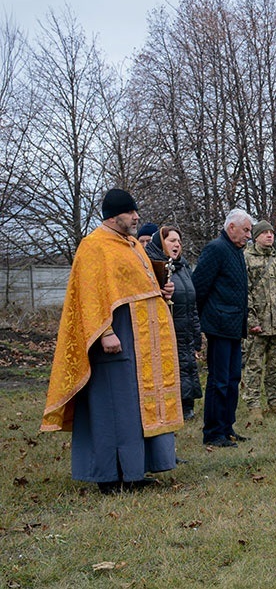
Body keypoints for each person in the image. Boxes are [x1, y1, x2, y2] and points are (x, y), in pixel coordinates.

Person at [42, 189, 181, 492]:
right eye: (131, 212)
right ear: (114, 215)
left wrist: (161, 290)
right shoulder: (94, 245)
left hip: (140, 342)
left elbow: (135, 286)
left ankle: (134, 471)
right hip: (115, 338)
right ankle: (110, 477)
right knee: (114, 408)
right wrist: (105, 333)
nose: (136, 217)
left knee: (134, 408)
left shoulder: (132, 244)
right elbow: (89, 294)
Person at [193, 208, 252, 447]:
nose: (248, 235)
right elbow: (199, 287)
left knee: (233, 379)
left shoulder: (236, 251)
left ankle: (227, 427)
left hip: (234, 327)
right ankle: (213, 432)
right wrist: (200, 322)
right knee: (219, 381)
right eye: (246, 230)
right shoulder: (216, 249)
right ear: (231, 227)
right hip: (219, 327)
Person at [243, 220, 276, 420]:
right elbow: (244, 292)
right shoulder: (246, 259)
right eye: (264, 233)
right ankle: (253, 404)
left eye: (271, 233)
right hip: (258, 325)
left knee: (275, 367)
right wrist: (251, 321)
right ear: (256, 236)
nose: (269, 236)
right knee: (254, 366)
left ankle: (275, 402)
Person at [146, 225, 201, 420]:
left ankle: (187, 405)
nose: (177, 244)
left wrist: (197, 334)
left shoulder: (183, 267)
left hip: (186, 328)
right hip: (165, 329)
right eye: (171, 241)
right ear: (161, 243)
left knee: (187, 365)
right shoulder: (152, 267)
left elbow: (192, 304)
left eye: (179, 241)